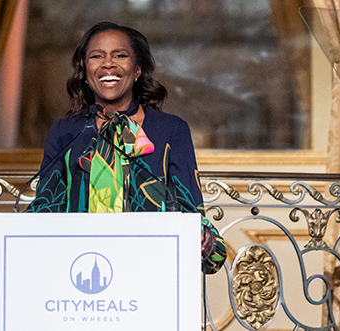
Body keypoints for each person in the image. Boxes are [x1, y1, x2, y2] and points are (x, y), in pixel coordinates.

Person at [26, 22, 226, 274]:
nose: (108, 64)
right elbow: (45, 209)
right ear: (86, 71)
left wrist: (204, 240)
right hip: (77, 275)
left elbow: (191, 212)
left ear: (137, 69)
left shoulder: (171, 130)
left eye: (120, 55)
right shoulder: (65, 132)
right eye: (96, 56)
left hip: (150, 274)